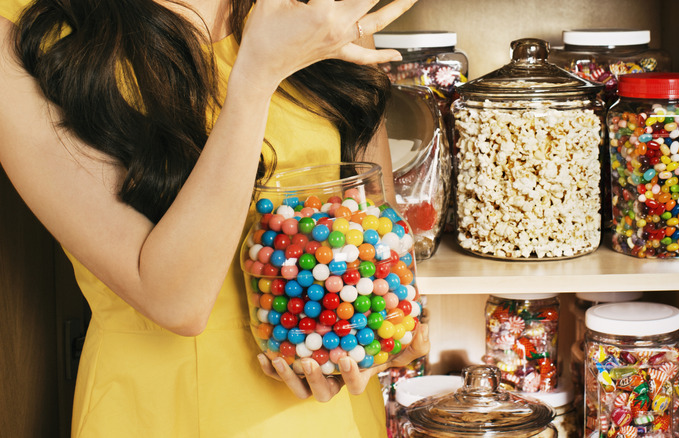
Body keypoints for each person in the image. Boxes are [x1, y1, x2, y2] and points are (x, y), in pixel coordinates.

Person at [0, 0, 429, 436]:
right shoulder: (24, 31)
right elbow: (176, 301)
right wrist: (257, 75)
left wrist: (386, 332)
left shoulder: (321, 8)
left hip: (330, 409)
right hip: (164, 409)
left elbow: (374, 228)